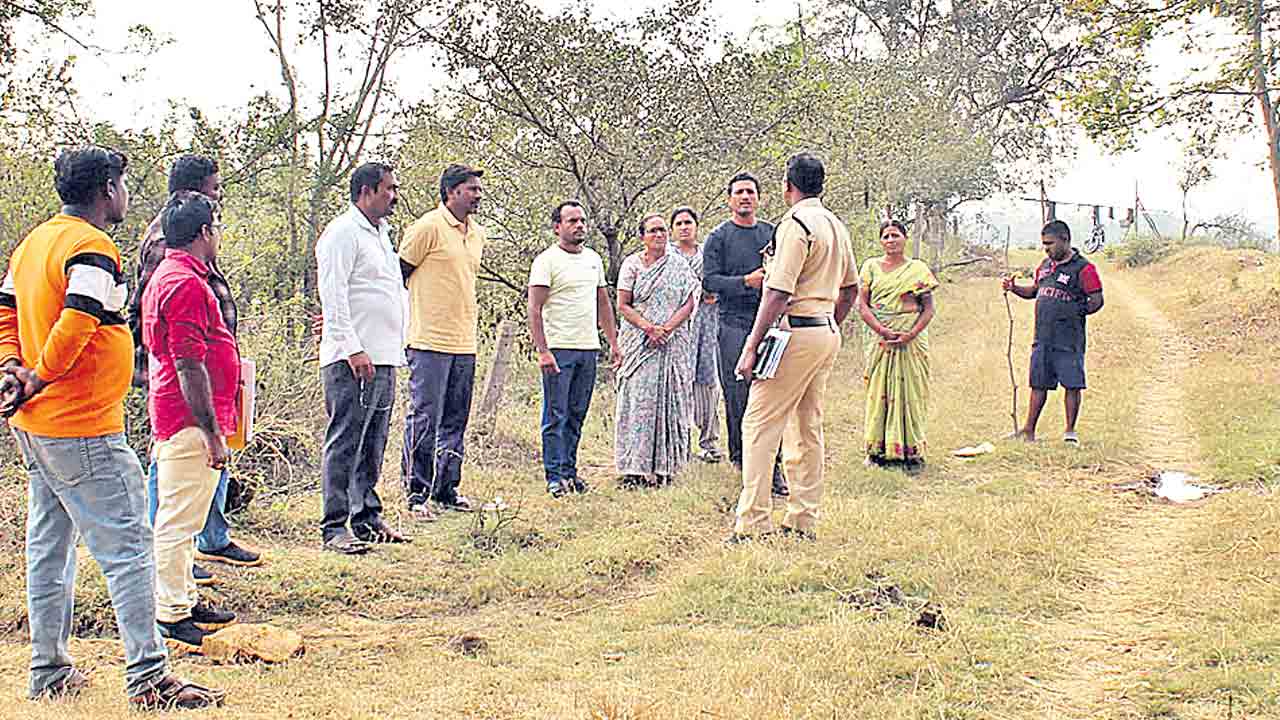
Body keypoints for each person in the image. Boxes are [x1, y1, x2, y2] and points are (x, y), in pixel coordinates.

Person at [0, 146, 224, 709]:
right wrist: (39, 375)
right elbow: (78, 316)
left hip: (41, 426)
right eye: (123, 182)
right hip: (82, 427)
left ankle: (48, 670)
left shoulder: (34, 243)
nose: (126, 193)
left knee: (49, 547)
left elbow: (4, 310)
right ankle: (149, 679)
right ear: (106, 188)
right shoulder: (91, 246)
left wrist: (13, 369)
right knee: (129, 548)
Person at [129, 155, 261, 587]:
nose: (218, 196)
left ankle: (199, 555)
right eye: (214, 189)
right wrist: (207, 427)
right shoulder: (174, 267)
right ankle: (171, 604)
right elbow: (183, 355)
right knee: (175, 507)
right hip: (185, 399)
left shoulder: (186, 266)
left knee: (191, 490)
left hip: (198, 393)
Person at [730, 152, 858, 542]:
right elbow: (851, 288)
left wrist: (752, 345)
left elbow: (777, 291)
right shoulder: (835, 225)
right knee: (807, 425)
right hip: (824, 331)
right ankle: (802, 518)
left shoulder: (796, 224)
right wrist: (830, 322)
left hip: (797, 332)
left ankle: (752, 523)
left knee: (759, 423)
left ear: (788, 186)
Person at [141, 192, 241, 648]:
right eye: (215, 229)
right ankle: (170, 613)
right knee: (178, 522)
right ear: (204, 233)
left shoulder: (173, 273)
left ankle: (184, 597)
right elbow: (188, 363)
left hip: (181, 412)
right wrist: (212, 433)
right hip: (187, 418)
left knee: (186, 515)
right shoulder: (184, 282)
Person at [316, 162, 410, 554]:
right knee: (346, 441)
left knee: (374, 441)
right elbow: (333, 294)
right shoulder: (342, 233)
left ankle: (367, 517)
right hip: (351, 357)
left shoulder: (382, 234)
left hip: (384, 355)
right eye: (388, 189)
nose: (394, 196)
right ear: (367, 191)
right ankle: (334, 527)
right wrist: (352, 346)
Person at [399, 163, 487, 517]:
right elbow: (398, 277)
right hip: (428, 340)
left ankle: (446, 488)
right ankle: (416, 492)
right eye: (471, 189)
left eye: (479, 189)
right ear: (451, 192)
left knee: (455, 418)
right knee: (425, 416)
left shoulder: (477, 233)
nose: (478, 195)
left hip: (464, 340)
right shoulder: (426, 228)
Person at [527, 200, 622, 497]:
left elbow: (603, 302)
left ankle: (570, 472)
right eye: (572, 221)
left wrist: (614, 342)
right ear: (558, 227)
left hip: (588, 347)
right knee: (556, 414)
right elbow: (534, 308)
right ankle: (554, 476)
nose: (579, 225)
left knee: (577, 413)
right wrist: (543, 350)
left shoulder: (593, 259)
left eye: (581, 220)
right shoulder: (547, 261)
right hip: (559, 348)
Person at [702, 172, 787, 496]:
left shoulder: (771, 233)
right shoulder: (718, 238)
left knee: (772, 397)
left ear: (759, 198)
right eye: (739, 192)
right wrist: (744, 282)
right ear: (729, 199)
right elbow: (709, 281)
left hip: (769, 323)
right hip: (732, 324)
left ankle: (774, 468)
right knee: (738, 395)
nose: (745, 197)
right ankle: (743, 463)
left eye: (750, 192)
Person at [614, 214, 699, 487]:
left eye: (662, 230)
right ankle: (634, 469)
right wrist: (649, 328)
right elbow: (623, 304)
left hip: (671, 344)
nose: (659, 235)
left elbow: (689, 302)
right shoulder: (632, 265)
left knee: (671, 401)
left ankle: (667, 467)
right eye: (652, 231)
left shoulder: (679, 265)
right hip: (639, 343)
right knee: (639, 403)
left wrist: (667, 329)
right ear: (643, 237)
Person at [1002, 219, 1104, 443]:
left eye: (1050, 243)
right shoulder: (1045, 266)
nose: (1046, 248)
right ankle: (1028, 430)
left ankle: (1070, 432)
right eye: (1043, 244)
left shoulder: (1084, 268)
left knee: (1072, 384)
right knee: (1038, 383)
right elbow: (1034, 292)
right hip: (1043, 337)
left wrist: (1074, 312)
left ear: (1065, 240)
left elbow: (1097, 300)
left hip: (1069, 339)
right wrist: (1014, 288)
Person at [857, 219, 939, 468]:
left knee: (911, 393)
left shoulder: (918, 269)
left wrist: (911, 334)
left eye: (895, 235)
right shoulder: (870, 267)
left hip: (911, 341)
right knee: (878, 393)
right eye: (886, 236)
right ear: (880, 241)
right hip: (881, 340)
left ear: (905, 238)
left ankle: (911, 453)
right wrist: (882, 330)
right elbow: (862, 305)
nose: (891, 240)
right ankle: (877, 452)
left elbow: (928, 309)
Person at [669, 206, 724, 463]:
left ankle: (710, 442)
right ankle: (680, 442)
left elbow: (719, 282)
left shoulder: (708, 254)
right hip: (677, 327)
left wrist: (714, 292)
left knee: (708, 380)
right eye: (679, 223)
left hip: (708, 324)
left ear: (696, 226)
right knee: (680, 380)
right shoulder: (667, 256)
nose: (684, 227)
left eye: (688, 222)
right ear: (672, 229)